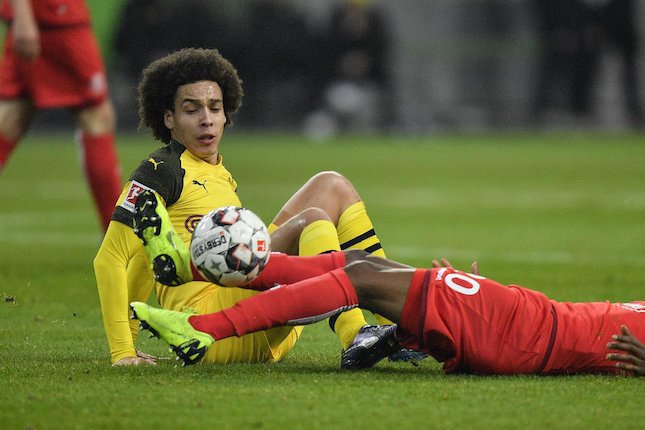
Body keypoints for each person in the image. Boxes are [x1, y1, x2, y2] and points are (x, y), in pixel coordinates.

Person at [93, 47, 398, 366]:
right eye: (191, 109)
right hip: (211, 328)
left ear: (227, 114)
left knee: (331, 185)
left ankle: (394, 327)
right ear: (169, 118)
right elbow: (112, 257)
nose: (206, 119)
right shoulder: (160, 171)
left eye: (214, 107)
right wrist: (123, 350)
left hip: (254, 318)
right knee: (312, 220)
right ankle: (355, 334)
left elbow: (147, 258)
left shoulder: (219, 174)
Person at [130, 250, 645, 375]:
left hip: (530, 334)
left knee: (358, 281)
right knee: (361, 264)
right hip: (527, 320)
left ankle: (201, 330)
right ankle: (196, 268)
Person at [0, 0, 121, 231]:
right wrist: (24, 19)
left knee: (10, 119)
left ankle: (118, 239)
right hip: (56, 17)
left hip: (43, 18)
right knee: (96, 117)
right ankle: (119, 240)